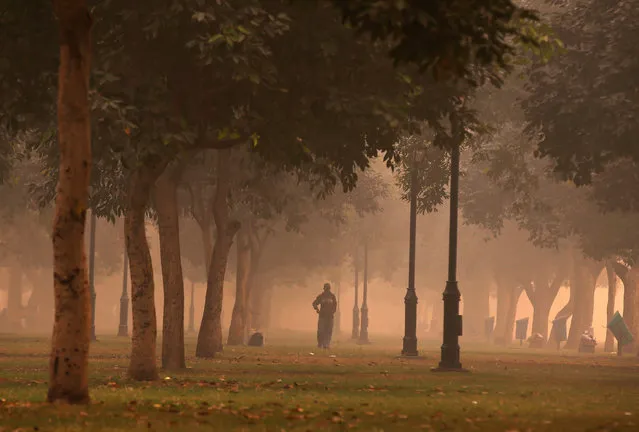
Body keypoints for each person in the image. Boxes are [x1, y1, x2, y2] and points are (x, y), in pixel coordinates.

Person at [312, 283, 337, 349]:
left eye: (328, 289)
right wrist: (317, 310)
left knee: (328, 331)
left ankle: (326, 344)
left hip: (330, 317)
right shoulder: (321, 296)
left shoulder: (332, 296)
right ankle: (320, 344)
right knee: (321, 331)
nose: (327, 291)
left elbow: (335, 306)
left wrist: (333, 312)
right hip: (322, 316)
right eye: (326, 289)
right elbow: (314, 303)